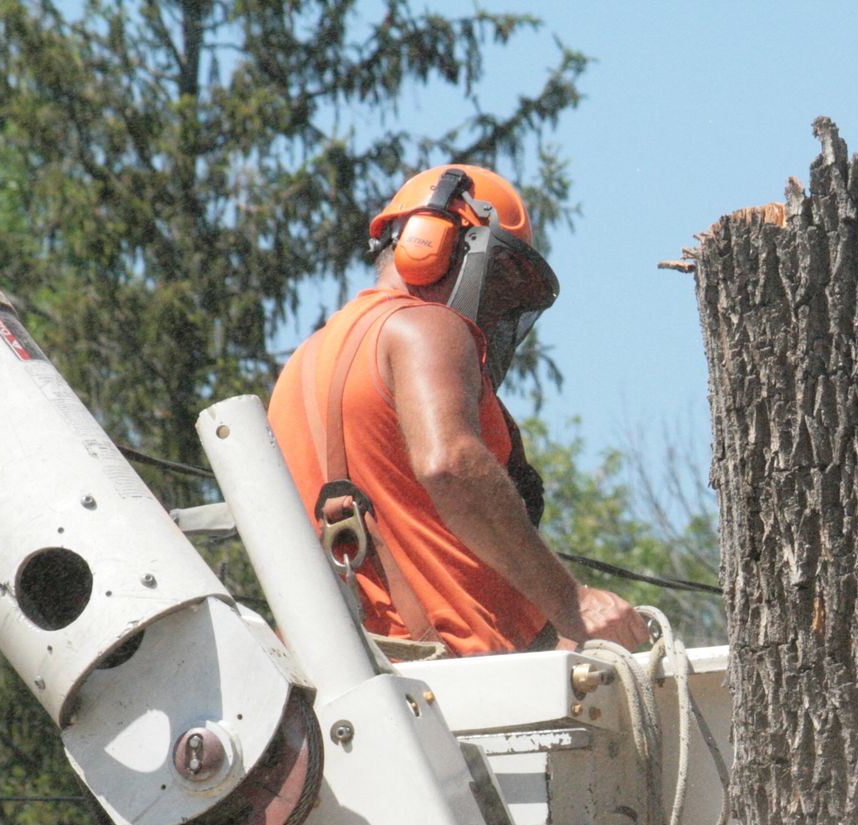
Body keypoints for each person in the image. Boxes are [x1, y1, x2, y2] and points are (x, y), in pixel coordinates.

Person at [268, 163, 649, 655]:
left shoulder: (303, 363)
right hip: (460, 670)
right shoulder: (425, 328)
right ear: (434, 242)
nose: (495, 310)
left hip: (350, 668)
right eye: (499, 280)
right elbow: (449, 464)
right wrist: (574, 603)